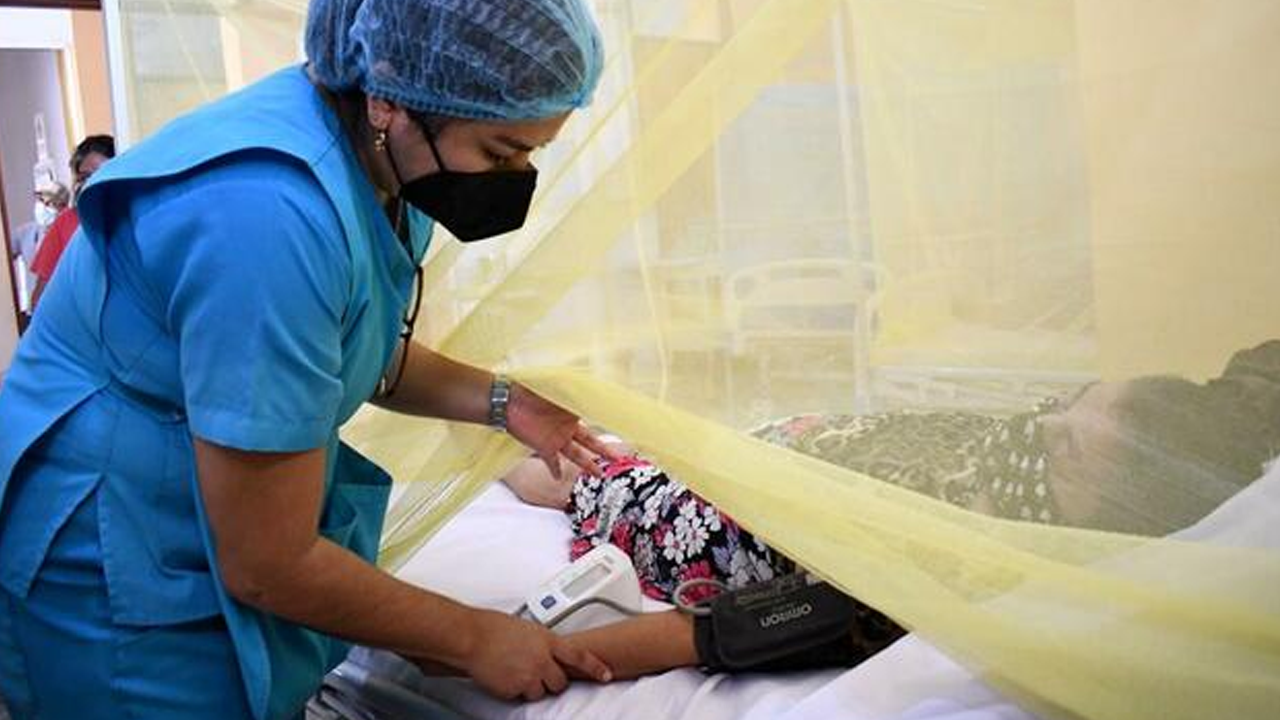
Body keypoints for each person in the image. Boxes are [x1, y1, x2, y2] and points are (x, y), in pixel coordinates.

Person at [0, 1, 617, 718]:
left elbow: (361, 347)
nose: (516, 176)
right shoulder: (267, 214)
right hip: (117, 546)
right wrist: (472, 637)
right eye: (502, 152)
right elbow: (268, 562)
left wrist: (506, 402)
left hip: (204, 504)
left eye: (532, 154)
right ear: (390, 100)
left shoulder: (384, 162)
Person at [503, 340, 1280, 680]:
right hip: (775, 458)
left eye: (1068, 449)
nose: (1045, 427)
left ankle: (566, 474)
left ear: (1104, 513)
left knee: (575, 472)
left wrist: (536, 653)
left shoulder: (972, 560)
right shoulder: (1191, 431)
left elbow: (744, 628)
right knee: (618, 448)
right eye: (1072, 403)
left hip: (722, 522)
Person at [28, 134, 115, 311]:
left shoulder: (136, 218)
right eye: (84, 177)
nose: (91, 183)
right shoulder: (66, 223)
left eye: (101, 174)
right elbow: (40, 300)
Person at [8, 180, 69, 329]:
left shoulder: (71, 233)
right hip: (34, 309)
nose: (44, 207)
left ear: (62, 207)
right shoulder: (26, 232)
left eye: (51, 203)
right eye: (41, 201)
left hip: (63, 309)